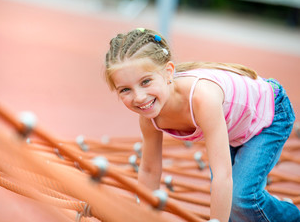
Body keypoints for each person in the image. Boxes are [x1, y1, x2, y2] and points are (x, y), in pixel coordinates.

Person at [104, 28, 299, 222]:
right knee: (229, 204)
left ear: (168, 72)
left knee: (240, 198)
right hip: (233, 127)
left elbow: (223, 175)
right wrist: (144, 217)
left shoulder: (202, 99)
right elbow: (149, 170)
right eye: (125, 90)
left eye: (146, 81)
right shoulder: (149, 117)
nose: (139, 97)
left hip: (269, 115)